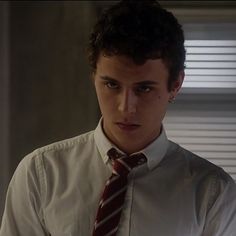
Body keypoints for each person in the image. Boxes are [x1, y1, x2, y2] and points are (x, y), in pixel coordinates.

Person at [1, 0, 236, 235]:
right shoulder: (40, 175)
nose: (126, 107)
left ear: (175, 85)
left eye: (144, 88)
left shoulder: (212, 194)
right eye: (112, 84)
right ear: (94, 76)